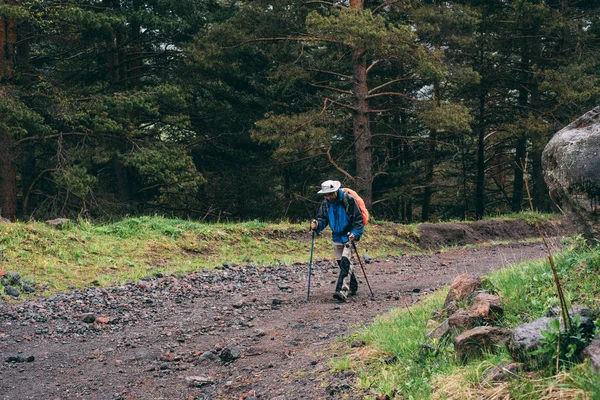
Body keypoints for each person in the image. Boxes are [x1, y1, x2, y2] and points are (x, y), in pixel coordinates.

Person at [310, 180, 364, 301]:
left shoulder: (348, 200)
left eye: (330, 194)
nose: (328, 197)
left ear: (335, 191)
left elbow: (358, 220)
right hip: (336, 237)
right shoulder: (326, 204)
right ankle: (353, 286)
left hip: (349, 235)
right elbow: (323, 219)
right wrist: (317, 225)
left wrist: (355, 234)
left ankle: (341, 291)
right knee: (342, 264)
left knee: (345, 262)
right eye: (326, 195)